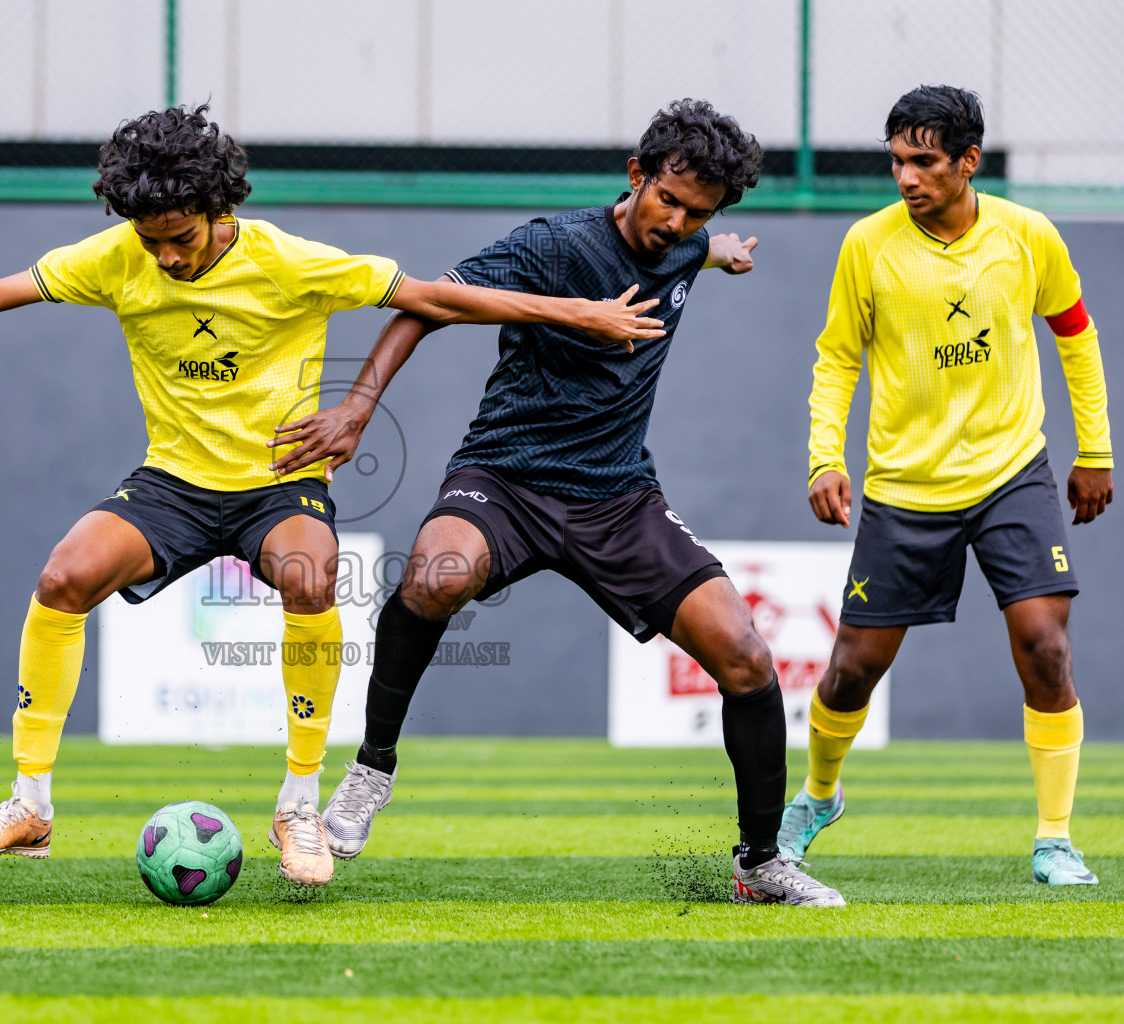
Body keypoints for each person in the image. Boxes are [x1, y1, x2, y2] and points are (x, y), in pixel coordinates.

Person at [0, 104, 666, 888]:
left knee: (314, 580)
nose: (166, 258)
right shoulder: (120, 257)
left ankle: (299, 807)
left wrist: (583, 313)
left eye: (180, 239)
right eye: (150, 241)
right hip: (175, 485)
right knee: (65, 575)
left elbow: (438, 297)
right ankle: (29, 803)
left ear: (218, 208)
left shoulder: (291, 263)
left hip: (278, 485)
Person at [272, 99, 844, 906]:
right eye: (667, 201)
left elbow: (696, 248)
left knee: (747, 655)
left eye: (698, 215)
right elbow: (425, 302)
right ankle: (371, 772)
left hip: (616, 496)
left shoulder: (686, 246)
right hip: (504, 476)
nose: (675, 223)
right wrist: (358, 407)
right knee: (435, 576)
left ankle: (761, 862)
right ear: (637, 176)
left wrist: (721, 252)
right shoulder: (554, 245)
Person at [781, 85, 1112, 886]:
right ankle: (820, 794)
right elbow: (836, 360)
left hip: (1012, 476)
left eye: (923, 161)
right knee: (852, 670)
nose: (905, 176)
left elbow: (1076, 334)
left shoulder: (1028, 236)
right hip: (906, 487)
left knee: (1045, 645)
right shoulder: (868, 245)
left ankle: (1055, 840)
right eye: (896, 160)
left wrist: (1094, 450)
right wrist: (826, 458)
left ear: (968, 161)